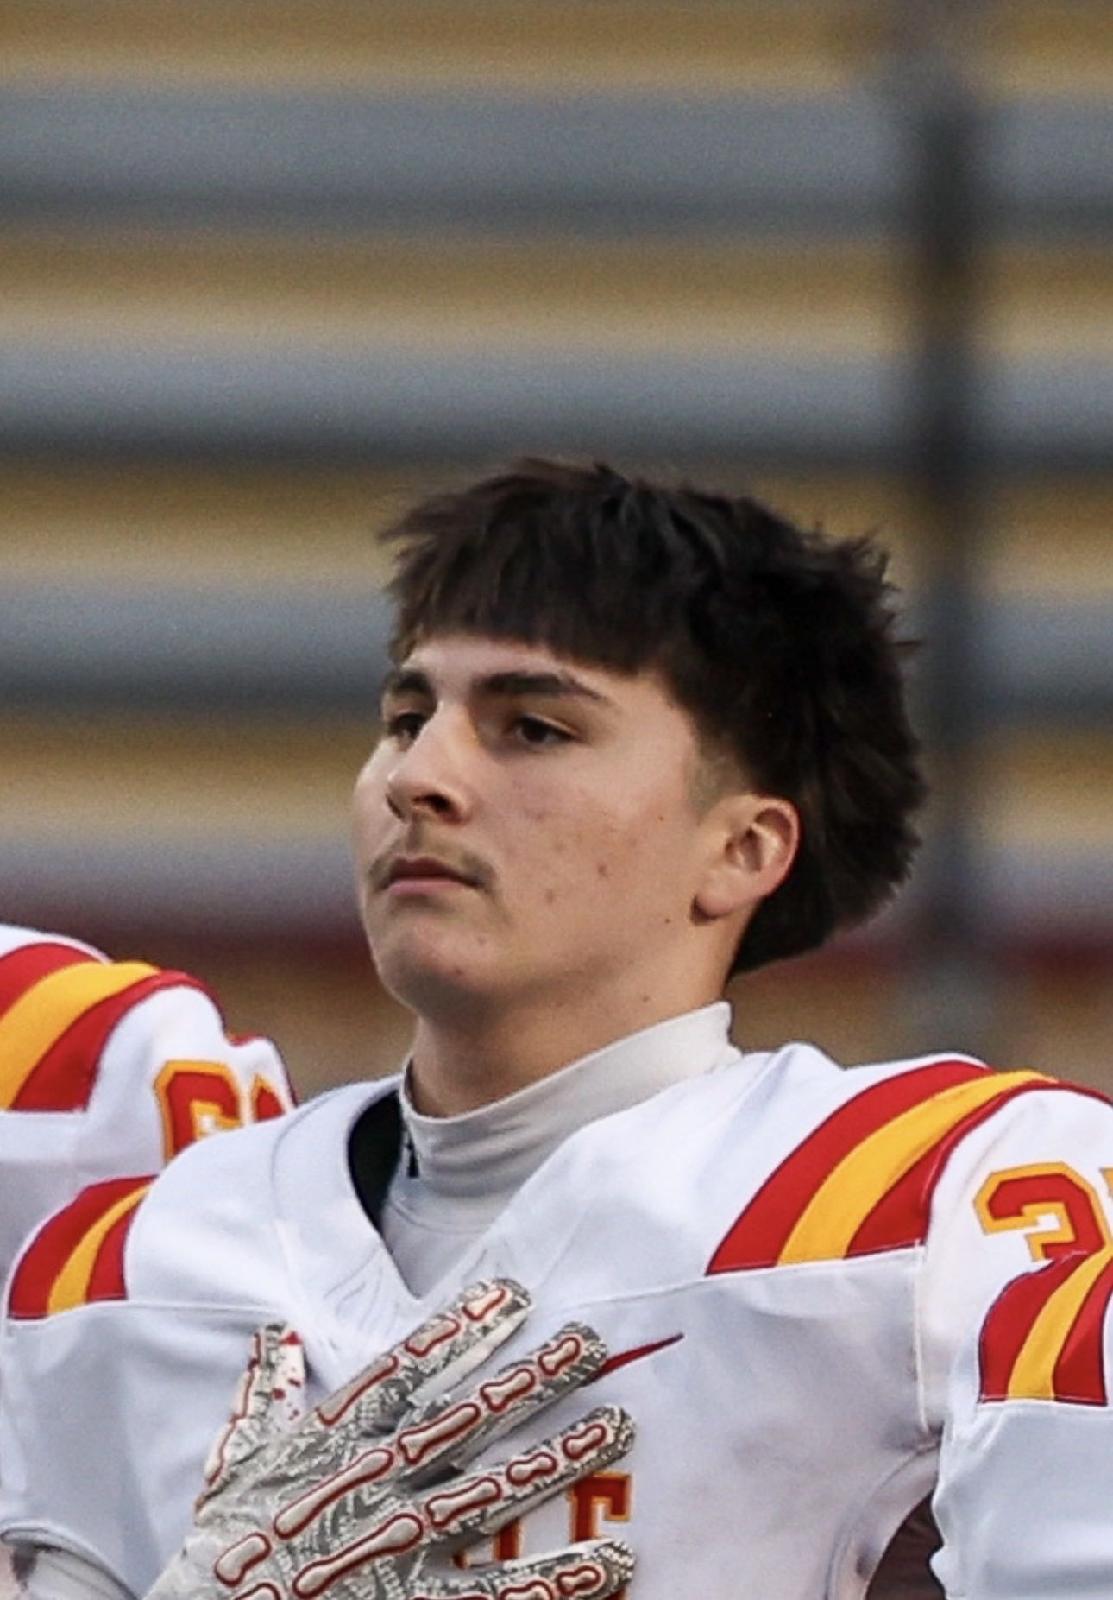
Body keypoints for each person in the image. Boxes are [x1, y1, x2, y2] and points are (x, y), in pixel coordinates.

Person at [3, 457, 1112, 1598]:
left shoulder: (926, 1207)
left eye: (532, 728)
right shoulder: (135, 1261)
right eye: (405, 718)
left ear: (743, 849)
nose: (419, 777)